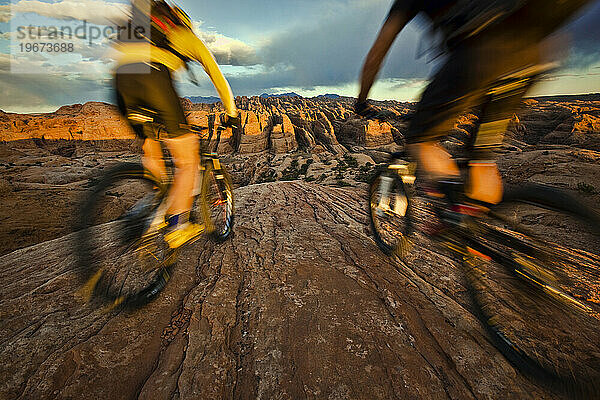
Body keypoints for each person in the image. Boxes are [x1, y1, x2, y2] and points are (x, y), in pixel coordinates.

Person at [355, 0, 592, 205]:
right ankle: (483, 237)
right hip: (533, 53)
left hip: (479, 55)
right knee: (481, 161)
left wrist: (362, 101)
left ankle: (459, 219)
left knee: (420, 142)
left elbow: (375, 57)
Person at [112, 0, 240, 248]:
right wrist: (231, 112)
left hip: (120, 82)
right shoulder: (185, 34)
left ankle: (157, 206)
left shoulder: (142, 31)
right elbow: (216, 73)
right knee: (188, 156)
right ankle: (177, 227)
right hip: (150, 75)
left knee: (151, 145)